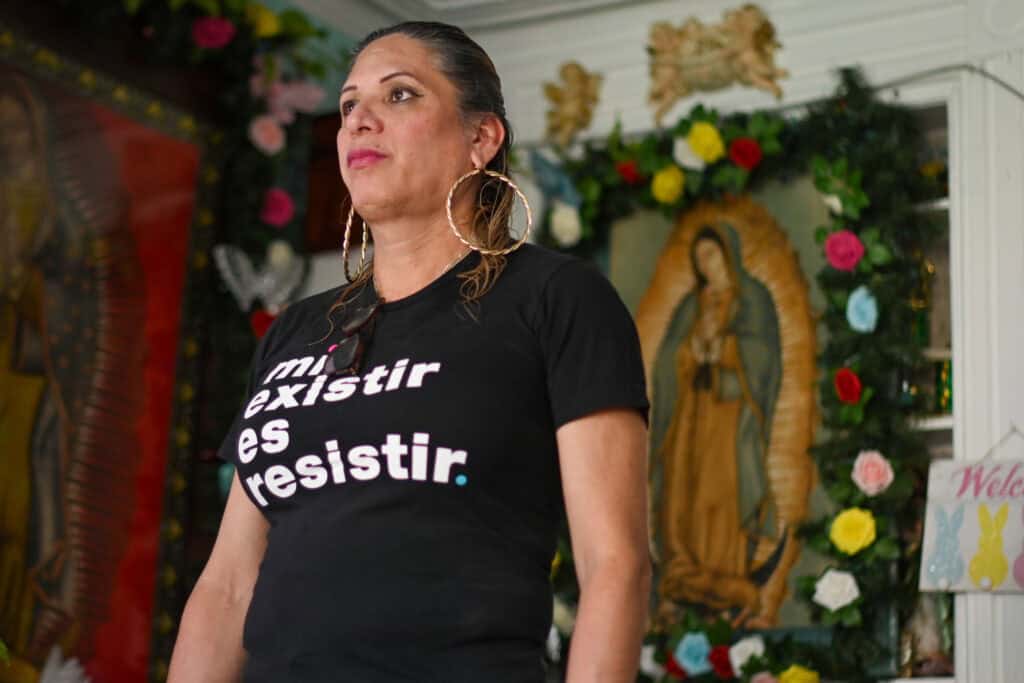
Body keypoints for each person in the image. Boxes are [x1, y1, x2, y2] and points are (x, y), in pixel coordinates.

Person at [168, 21, 651, 683]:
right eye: (347, 105)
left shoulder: (556, 300)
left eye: (399, 96)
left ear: (480, 138)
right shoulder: (296, 330)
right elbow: (227, 583)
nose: (360, 120)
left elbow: (614, 564)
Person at [648, 223, 781, 629]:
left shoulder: (753, 299)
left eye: (713, 255)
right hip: (690, 414)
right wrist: (690, 351)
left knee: (721, 498)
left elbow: (766, 357)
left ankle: (729, 586)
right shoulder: (692, 304)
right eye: (700, 258)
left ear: (729, 254)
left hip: (729, 418)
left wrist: (726, 349)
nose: (706, 265)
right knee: (682, 497)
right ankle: (682, 581)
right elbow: (669, 358)